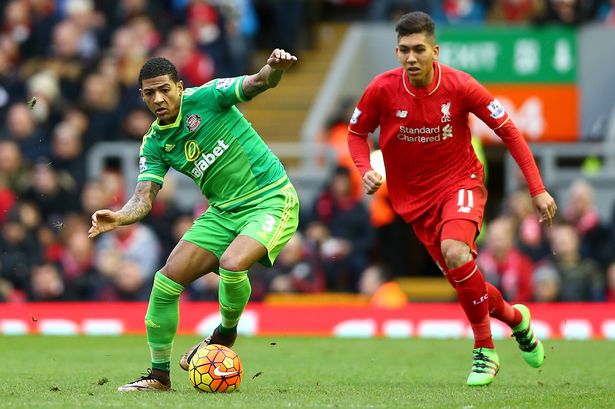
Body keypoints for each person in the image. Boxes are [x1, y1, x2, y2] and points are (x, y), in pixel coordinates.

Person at [347, 11, 557, 386]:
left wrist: (537, 188)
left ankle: (484, 351)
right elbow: (355, 134)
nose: (411, 58)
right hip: (413, 202)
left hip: (461, 183)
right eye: (403, 50)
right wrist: (364, 169)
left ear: (436, 51)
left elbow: (509, 132)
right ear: (396, 52)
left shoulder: (461, 86)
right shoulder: (381, 88)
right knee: (464, 281)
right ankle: (516, 320)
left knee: (457, 252)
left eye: (419, 49)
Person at [88, 50, 300, 391]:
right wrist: (120, 216)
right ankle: (158, 376)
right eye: (149, 93)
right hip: (222, 213)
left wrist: (273, 67)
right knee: (165, 281)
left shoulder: (208, 96)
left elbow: (259, 82)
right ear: (141, 96)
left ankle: (225, 333)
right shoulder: (155, 142)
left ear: (180, 87)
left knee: (232, 263)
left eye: (164, 90)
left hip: (270, 200)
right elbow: (144, 196)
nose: (158, 99)